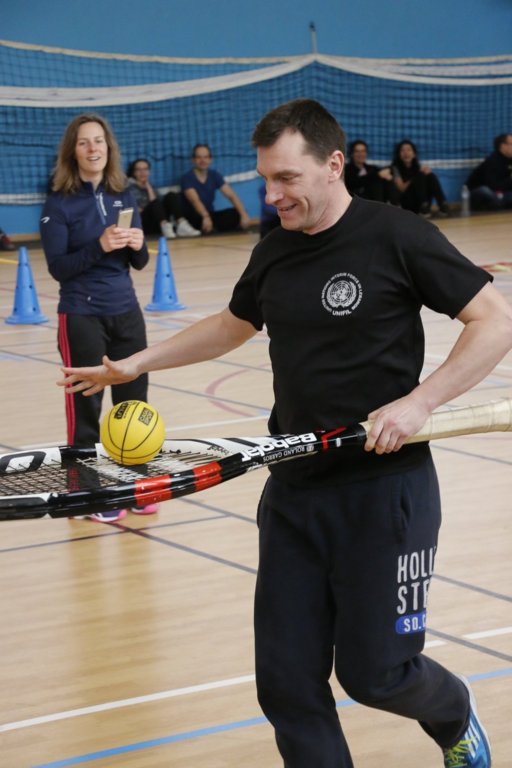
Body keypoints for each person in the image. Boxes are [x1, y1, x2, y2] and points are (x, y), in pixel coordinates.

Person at [58, 99, 512, 767]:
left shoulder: (396, 234)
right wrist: (136, 363)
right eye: (266, 179)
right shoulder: (273, 251)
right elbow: (231, 325)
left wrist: (419, 404)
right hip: (294, 495)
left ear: (334, 165)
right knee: (287, 684)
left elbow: (494, 321)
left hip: (384, 495)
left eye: (286, 179)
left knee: (377, 674)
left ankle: (453, 714)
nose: (271, 196)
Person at [40, 113, 159, 522]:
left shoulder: (125, 195)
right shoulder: (58, 203)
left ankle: (132, 487)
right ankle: (84, 494)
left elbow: (139, 263)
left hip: (127, 312)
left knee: (134, 405)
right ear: (72, 152)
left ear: (109, 148)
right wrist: (100, 245)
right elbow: (59, 268)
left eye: (99, 141)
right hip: (81, 315)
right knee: (86, 409)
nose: (93, 148)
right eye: (84, 142)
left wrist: (139, 245)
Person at [180, 143, 251, 234]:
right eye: (199, 157)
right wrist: (205, 217)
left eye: (206, 157)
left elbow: (231, 196)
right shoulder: (187, 178)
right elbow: (195, 201)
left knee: (237, 214)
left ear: (210, 159)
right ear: (193, 160)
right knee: (198, 218)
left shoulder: (214, 175)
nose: (203, 160)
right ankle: (207, 228)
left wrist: (243, 214)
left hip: (210, 215)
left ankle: (211, 229)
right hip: (196, 216)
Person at [127, 158, 200, 239]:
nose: (142, 173)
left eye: (145, 169)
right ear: (133, 172)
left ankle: (181, 223)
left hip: (158, 221)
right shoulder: (128, 188)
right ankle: (165, 225)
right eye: (139, 170)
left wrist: (148, 187)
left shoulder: (150, 185)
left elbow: (158, 204)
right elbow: (135, 210)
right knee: (154, 203)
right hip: (143, 223)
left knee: (171, 196)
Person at [391, 139, 450, 218]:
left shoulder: (418, 167)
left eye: (409, 150)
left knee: (430, 175)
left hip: (420, 200)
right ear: (398, 154)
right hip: (407, 201)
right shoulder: (395, 168)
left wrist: (424, 172)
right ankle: (424, 206)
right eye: (402, 150)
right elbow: (401, 188)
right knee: (420, 176)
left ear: (414, 154)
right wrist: (415, 176)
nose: (406, 153)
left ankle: (442, 203)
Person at [466, 133, 512, 211]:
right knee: (485, 192)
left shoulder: (509, 160)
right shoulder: (493, 161)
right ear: (503, 146)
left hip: (501, 192)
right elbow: (493, 186)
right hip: (478, 191)